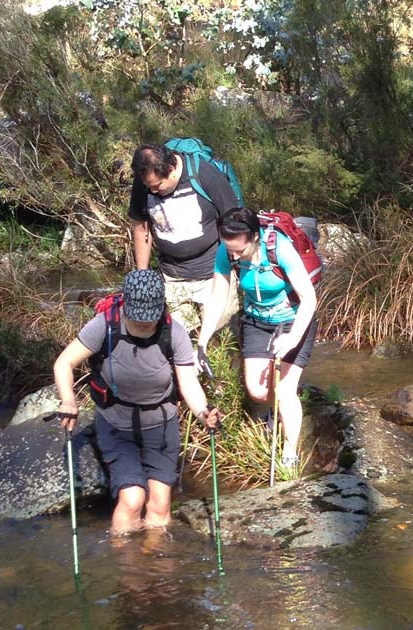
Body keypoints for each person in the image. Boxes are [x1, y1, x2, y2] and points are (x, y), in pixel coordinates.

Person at [54, 269, 221, 535]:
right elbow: (64, 362)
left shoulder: (172, 332)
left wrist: (204, 412)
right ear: (126, 306)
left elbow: (188, 383)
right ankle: (125, 568)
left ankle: (153, 568)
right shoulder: (104, 326)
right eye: (138, 319)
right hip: (116, 423)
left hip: (161, 426)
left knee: (160, 504)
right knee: (132, 500)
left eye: (150, 319)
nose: (144, 325)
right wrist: (69, 401)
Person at [197, 208, 318, 472]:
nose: (234, 256)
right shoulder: (227, 251)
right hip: (256, 321)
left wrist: (293, 337)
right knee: (258, 391)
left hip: (294, 319)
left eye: (239, 251)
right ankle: (280, 411)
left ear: (255, 237)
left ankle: (289, 453)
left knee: (285, 391)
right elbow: (218, 297)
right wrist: (202, 342)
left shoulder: (280, 249)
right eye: (230, 250)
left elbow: (309, 298)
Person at [129, 143, 241, 332]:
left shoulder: (204, 174)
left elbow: (232, 221)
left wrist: (235, 265)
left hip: (213, 275)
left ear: (171, 169)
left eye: (157, 186)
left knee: (220, 338)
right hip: (172, 277)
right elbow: (141, 227)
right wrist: (143, 274)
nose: (153, 191)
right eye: (149, 187)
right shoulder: (145, 183)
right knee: (179, 342)